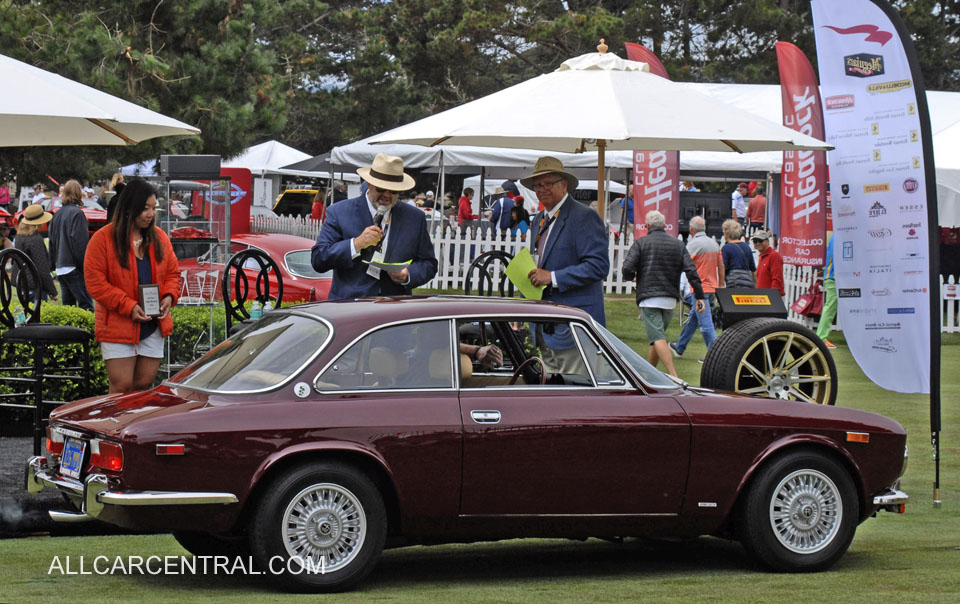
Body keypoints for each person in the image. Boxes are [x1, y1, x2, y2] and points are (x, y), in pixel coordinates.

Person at [85, 179, 180, 393]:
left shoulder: (160, 238)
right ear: (130, 208)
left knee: (143, 386)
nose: (150, 213)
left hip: (153, 324)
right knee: (121, 386)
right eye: (145, 208)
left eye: (154, 208)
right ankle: (113, 427)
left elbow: (174, 274)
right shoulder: (102, 240)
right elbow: (95, 283)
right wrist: (127, 306)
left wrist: (169, 297)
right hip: (118, 324)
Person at [523, 156, 609, 374]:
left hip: (574, 327)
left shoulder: (584, 217)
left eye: (547, 184)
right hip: (544, 325)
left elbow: (598, 266)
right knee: (554, 393)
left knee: (576, 395)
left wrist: (552, 277)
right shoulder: (538, 220)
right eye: (537, 185)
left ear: (564, 185)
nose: (541, 189)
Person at [311, 153, 438, 299]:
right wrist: (356, 244)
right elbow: (319, 259)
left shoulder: (414, 217)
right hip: (349, 308)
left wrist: (408, 275)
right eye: (381, 189)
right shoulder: (340, 212)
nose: (387, 195)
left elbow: (429, 264)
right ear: (369, 183)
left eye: (393, 191)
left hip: (394, 308)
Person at [622, 210, 705, 378]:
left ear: (647, 226)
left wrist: (631, 277)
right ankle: (648, 375)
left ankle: (673, 375)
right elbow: (691, 271)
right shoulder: (678, 245)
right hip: (669, 299)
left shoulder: (641, 243)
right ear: (664, 225)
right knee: (656, 338)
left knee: (658, 337)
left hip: (649, 298)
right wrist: (700, 296)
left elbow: (627, 268)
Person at [670, 215, 724, 362]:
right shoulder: (714, 244)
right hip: (712, 287)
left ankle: (714, 355)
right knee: (694, 319)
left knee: (706, 324)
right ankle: (680, 347)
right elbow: (721, 266)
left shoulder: (693, 244)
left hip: (699, 289)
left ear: (691, 229)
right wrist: (720, 285)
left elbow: (683, 264)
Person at [49, 180, 94, 311]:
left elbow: (52, 241)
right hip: (73, 266)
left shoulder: (56, 215)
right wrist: (84, 266)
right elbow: (80, 243)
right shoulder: (78, 214)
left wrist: (52, 264)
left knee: (68, 308)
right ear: (78, 194)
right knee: (86, 306)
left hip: (60, 266)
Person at [12, 205, 58, 302]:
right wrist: (52, 292)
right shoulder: (35, 239)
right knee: (37, 315)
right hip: (34, 284)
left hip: (22, 282)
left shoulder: (19, 236)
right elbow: (42, 268)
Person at [816, 233, 838, 349]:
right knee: (830, 306)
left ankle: (821, 337)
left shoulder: (841, 234)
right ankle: (821, 337)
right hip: (833, 277)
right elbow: (838, 257)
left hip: (842, 277)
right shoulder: (837, 236)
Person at [720, 218, 756, 287]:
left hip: (733, 283)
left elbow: (723, 268)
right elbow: (753, 270)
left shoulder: (726, 248)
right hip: (747, 283)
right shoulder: (746, 247)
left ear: (727, 234)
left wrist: (721, 285)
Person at [753, 230, 784, 295]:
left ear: (767, 241)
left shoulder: (774, 256)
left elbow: (777, 278)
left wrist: (772, 297)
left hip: (769, 298)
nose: (758, 243)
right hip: (762, 297)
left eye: (760, 240)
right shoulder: (762, 256)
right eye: (755, 241)